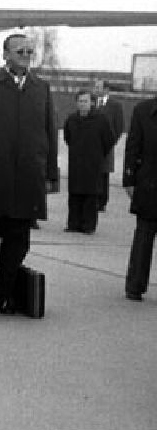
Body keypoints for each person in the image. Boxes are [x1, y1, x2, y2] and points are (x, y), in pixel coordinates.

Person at [0, 33, 58, 313]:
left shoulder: (41, 88)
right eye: (20, 51)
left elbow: (49, 133)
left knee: (18, 242)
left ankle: (4, 294)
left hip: (28, 180)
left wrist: (50, 174)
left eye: (30, 51)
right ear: (5, 55)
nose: (26, 55)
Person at [63, 90, 116, 234]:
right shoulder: (71, 119)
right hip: (76, 163)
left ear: (92, 102)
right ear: (76, 103)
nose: (82, 104)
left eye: (85, 101)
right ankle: (73, 224)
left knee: (91, 194)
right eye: (80, 101)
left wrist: (98, 153)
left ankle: (88, 226)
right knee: (74, 194)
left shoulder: (101, 120)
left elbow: (109, 140)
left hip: (94, 163)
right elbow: (67, 138)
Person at [124, 94, 157, 301]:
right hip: (149, 186)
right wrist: (129, 179)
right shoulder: (143, 111)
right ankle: (135, 285)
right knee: (144, 238)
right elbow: (132, 147)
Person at [93, 79, 124, 212]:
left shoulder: (115, 105)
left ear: (106, 89)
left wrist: (110, 142)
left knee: (104, 174)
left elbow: (119, 126)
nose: (95, 89)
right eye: (95, 87)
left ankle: (102, 202)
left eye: (98, 87)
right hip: (92, 146)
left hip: (106, 146)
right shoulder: (92, 103)